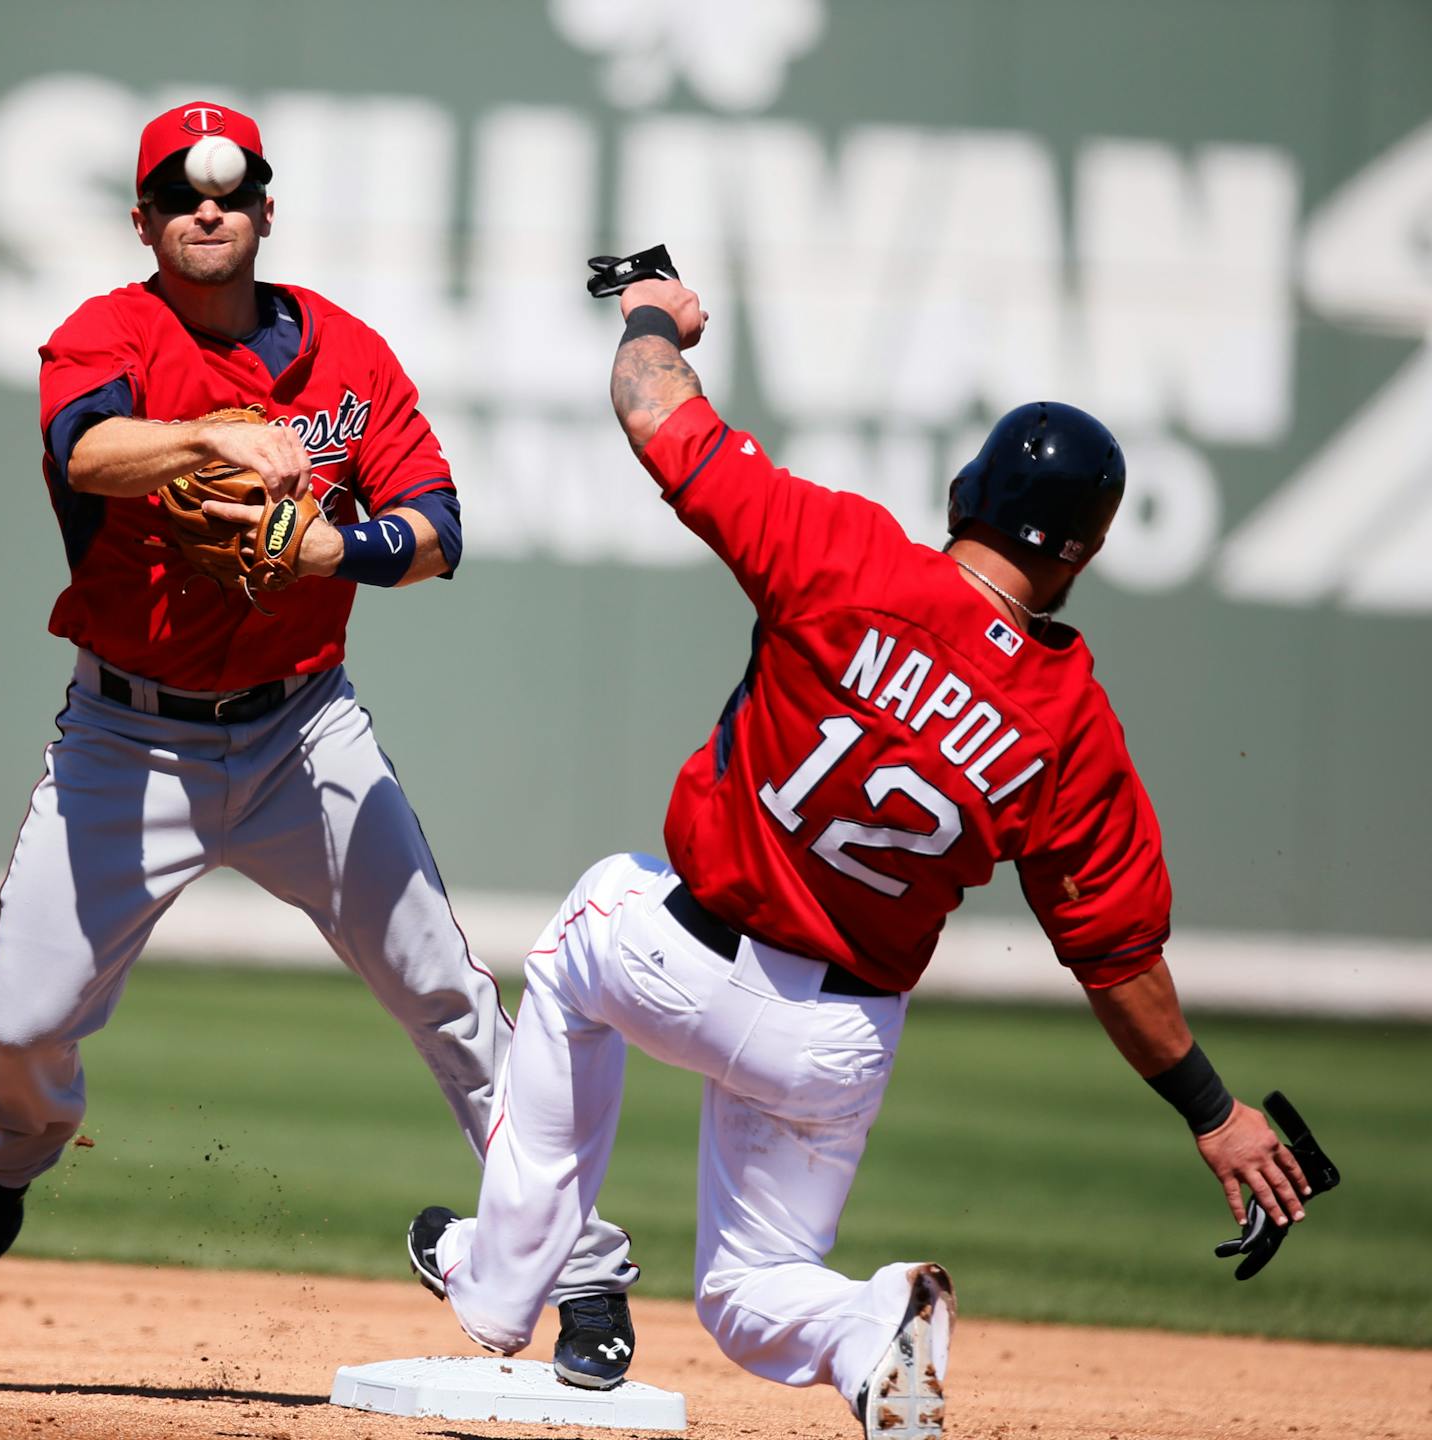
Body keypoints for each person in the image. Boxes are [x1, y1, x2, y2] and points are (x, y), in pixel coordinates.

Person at [405, 276, 1316, 1436]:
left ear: (967, 491)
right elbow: (1115, 956)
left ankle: (498, 1285)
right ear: (1083, 553)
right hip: (834, 1040)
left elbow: (653, 411)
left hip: (675, 956)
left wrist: (651, 319)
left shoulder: (847, 555)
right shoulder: (1070, 723)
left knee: (586, 931)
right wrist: (1213, 1109)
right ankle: (869, 1322)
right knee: (753, 1296)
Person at [0, 99, 641, 1389]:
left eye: (232, 188)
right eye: (179, 191)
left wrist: (337, 546)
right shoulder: (111, 336)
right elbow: (84, 450)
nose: (208, 208)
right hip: (124, 737)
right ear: (143, 220)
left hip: (300, 735)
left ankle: (585, 1272)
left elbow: (438, 527)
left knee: (451, 996)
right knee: (26, 1025)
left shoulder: (348, 360)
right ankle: (11, 1153)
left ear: (267, 210)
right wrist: (208, 436)